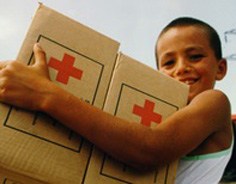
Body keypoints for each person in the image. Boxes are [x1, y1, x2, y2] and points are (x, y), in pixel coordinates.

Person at [0, 17, 233, 183]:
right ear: (158, 73)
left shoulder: (214, 102)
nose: (181, 68)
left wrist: (45, 93)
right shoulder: (157, 116)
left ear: (220, 68)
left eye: (195, 56)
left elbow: (149, 149)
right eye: (169, 63)